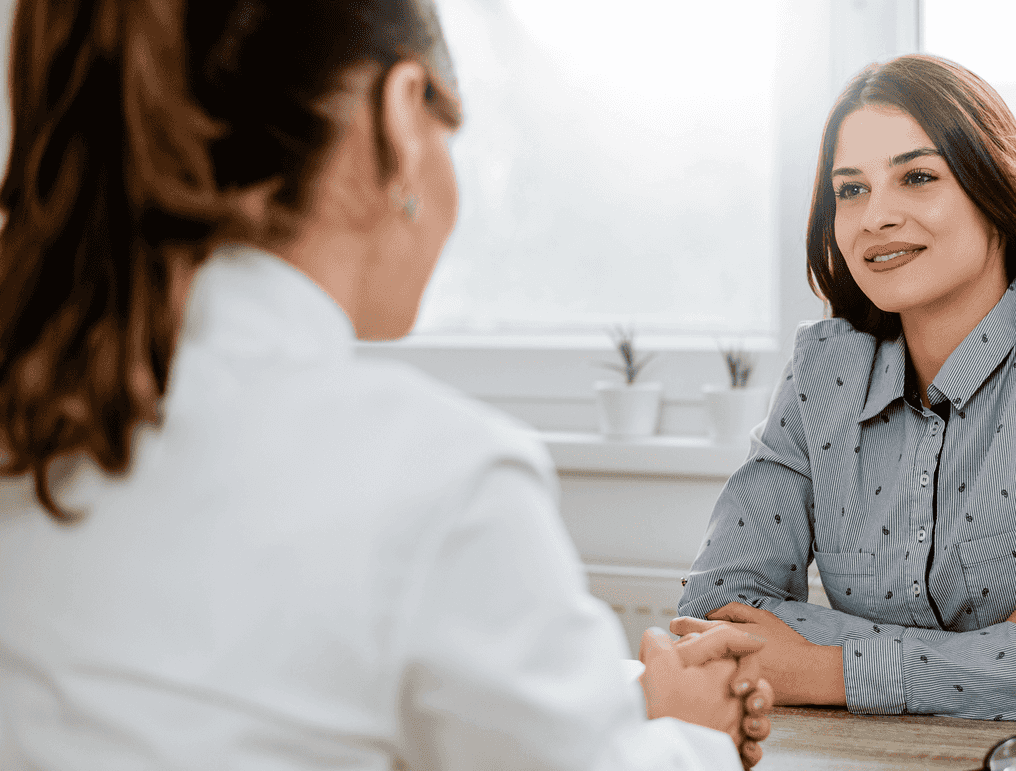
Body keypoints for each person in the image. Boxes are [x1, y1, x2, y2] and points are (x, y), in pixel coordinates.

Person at [0, 1, 770, 768]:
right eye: (450, 129)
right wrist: (694, 732)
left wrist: (617, 706)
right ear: (400, 116)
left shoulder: (36, 418)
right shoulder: (437, 478)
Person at [675, 54, 1016, 721]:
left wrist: (826, 669)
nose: (875, 216)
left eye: (916, 177)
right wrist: (999, 648)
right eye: (850, 189)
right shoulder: (822, 367)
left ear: (993, 191)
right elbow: (714, 616)